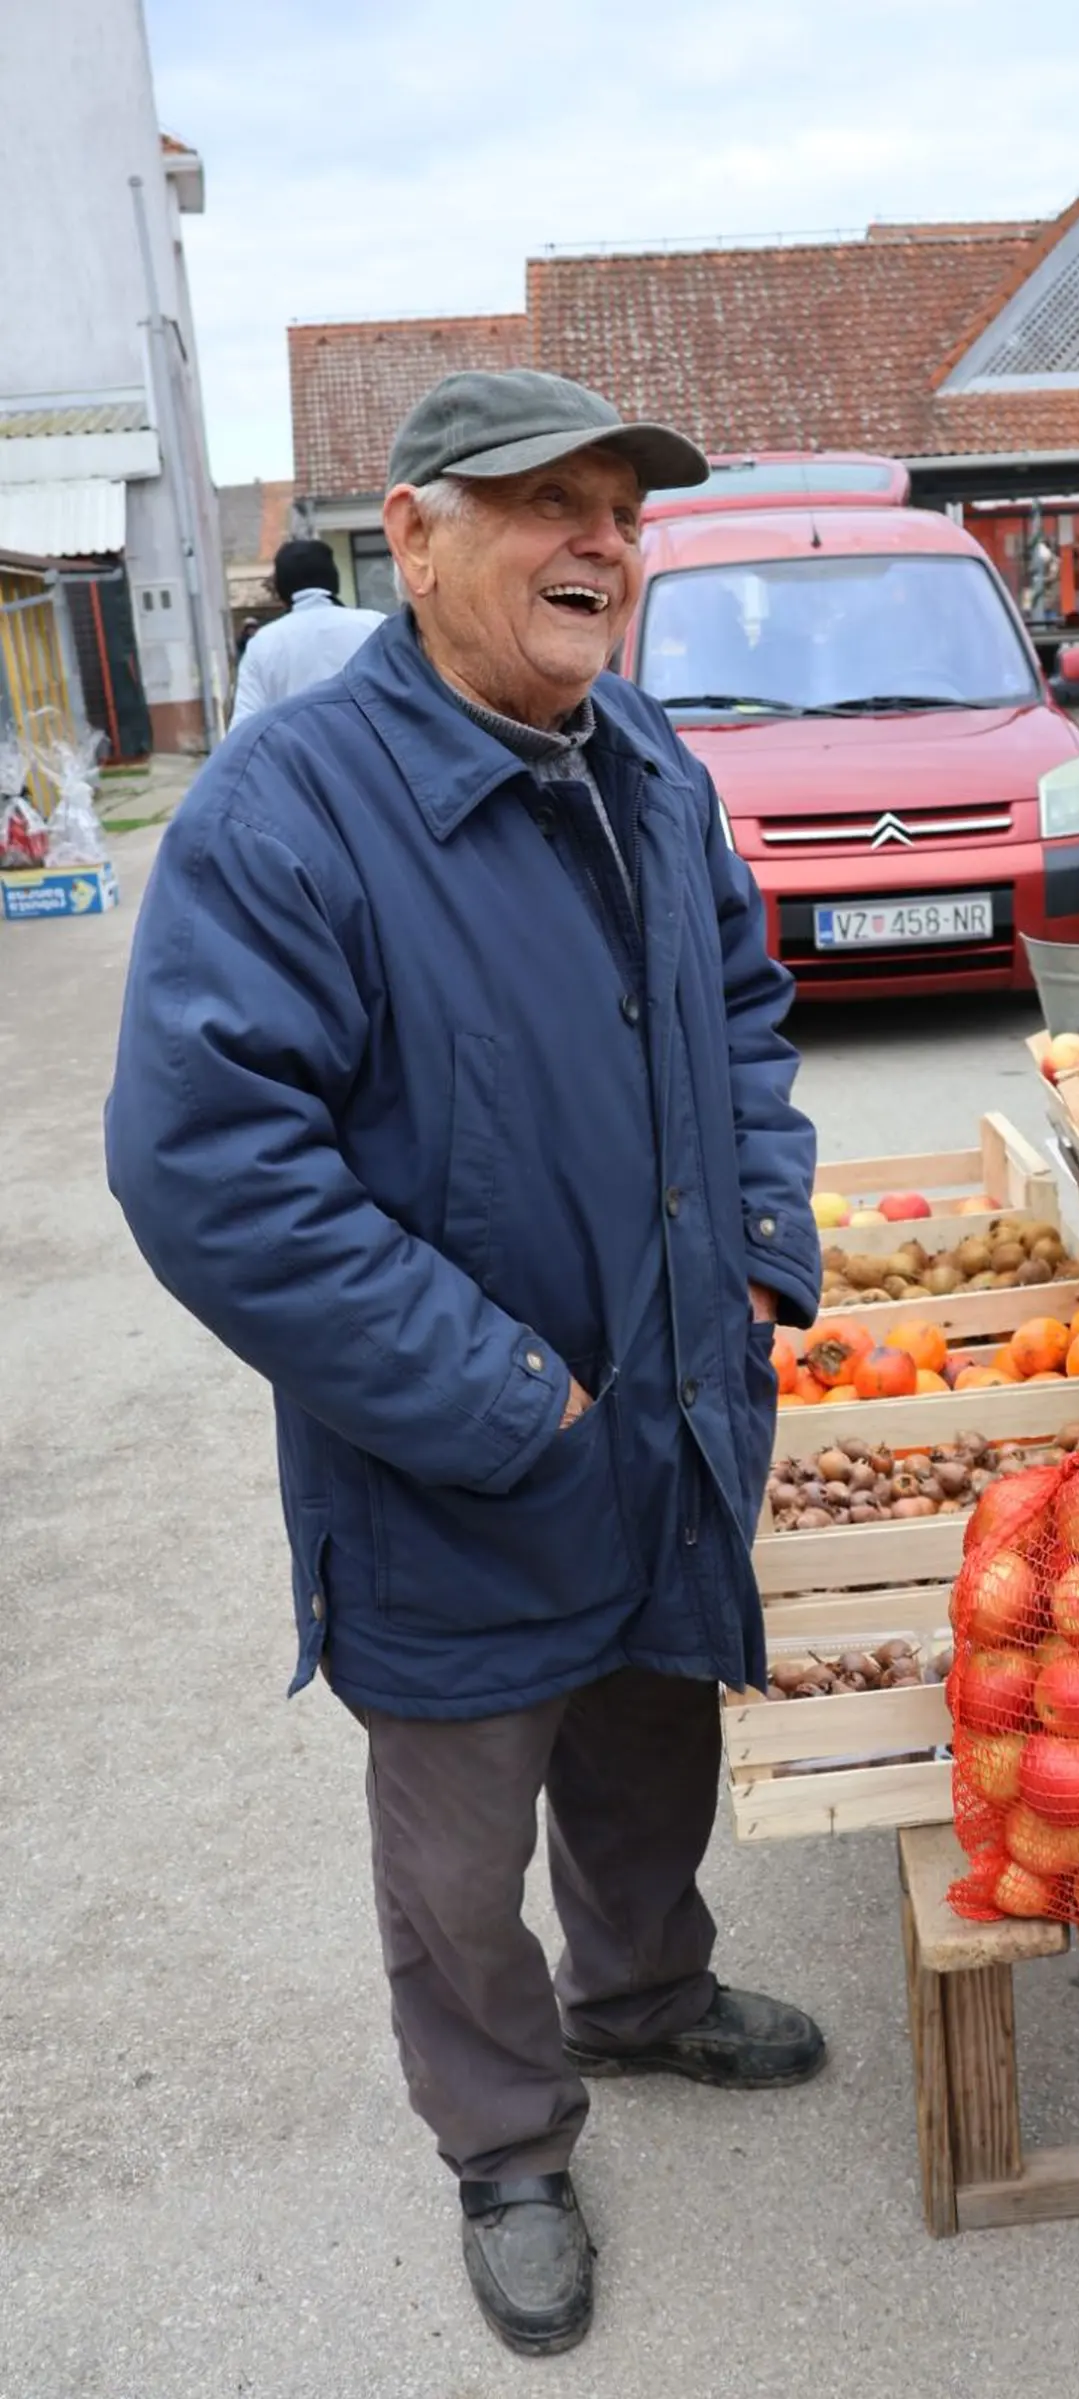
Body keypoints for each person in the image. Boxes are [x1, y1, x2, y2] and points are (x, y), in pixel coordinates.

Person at [105, 369, 825, 2361]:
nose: (597, 539)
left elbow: (750, 1014)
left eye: (619, 505)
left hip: (671, 1414)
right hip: (452, 1467)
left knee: (646, 1747)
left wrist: (763, 1245)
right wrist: (508, 1395)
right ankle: (505, 2138)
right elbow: (211, 1169)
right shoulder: (290, 811)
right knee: (454, 1852)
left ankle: (648, 1992)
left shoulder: (648, 761)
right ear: (411, 537)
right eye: (540, 504)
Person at [229, 536, 386, 724]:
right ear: (334, 579)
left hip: (294, 752)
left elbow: (244, 729)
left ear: (281, 589)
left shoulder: (263, 644)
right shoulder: (375, 626)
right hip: (371, 749)